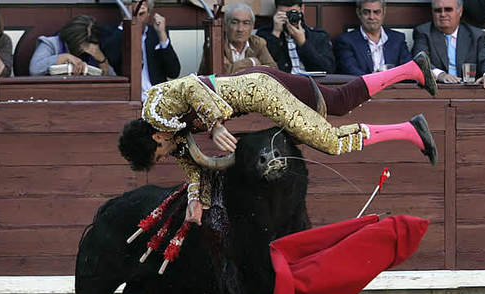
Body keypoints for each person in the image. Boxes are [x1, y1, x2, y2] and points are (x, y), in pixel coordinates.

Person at [119, 54, 438, 225]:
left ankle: (409, 129)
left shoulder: (158, 105)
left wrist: (215, 124)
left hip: (263, 92)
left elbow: (190, 85)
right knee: (339, 102)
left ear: (157, 137)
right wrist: (195, 202)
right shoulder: (171, 137)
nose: (165, 158)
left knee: (330, 141)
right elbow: (194, 170)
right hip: (257, 82)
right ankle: (414, 72)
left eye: (160, 155)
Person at [101, 0, 181, 101]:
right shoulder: (113, 32)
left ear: (149, 14)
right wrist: (126, 24)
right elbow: (111, 58)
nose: (137, 19)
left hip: (157, 99)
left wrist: (162, 34)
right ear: (123, 12)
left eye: (141, 14)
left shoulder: (156, 34)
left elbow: (174, 72)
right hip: (128, 100)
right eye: (133, 13)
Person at [412, 0, 485, 90]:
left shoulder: (476, 35)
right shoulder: (423, 32)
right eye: (438, 10)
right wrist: (440, 75)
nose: (443, 14)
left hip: (468, 91)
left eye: (448, 9)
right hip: (437, 91)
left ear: (460, 11)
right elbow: (419, 60)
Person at [255, 0, 335, 74]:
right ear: (276, 12)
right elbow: (265, 67)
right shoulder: (264, 35)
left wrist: (303, 43)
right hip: (283, 84)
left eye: (293, 13)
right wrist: (275, 34)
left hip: (311, 84)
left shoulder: (318, 36)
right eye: (284, 14)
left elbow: (328, 70)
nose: (289, 18)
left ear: (302, 9)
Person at [334, 0, 412, 75]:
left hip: (393, 87)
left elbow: (408, 70)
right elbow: (350, 71)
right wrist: (374, 79)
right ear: (358, 13)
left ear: (384, 12)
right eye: (366, 12)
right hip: (364, 87)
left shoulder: (397, 39)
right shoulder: (346, 41)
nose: (371, 17)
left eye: (376, 12)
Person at [197, 3, 276, 75]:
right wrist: (251, 62)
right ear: (225, 25)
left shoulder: (257, 43)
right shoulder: (216, 44)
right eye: (235, 22)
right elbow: (222, 74)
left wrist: (235, 67)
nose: (240, 29)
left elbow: (273, 71)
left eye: (246, 23)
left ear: (252, 27)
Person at [29, 15, 116, 77]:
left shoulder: (94, 49)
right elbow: (34, 70)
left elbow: (114, 81)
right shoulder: (51, 44)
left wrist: (101, 60)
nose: (83, 48)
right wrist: (64, 57)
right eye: (81, 43)